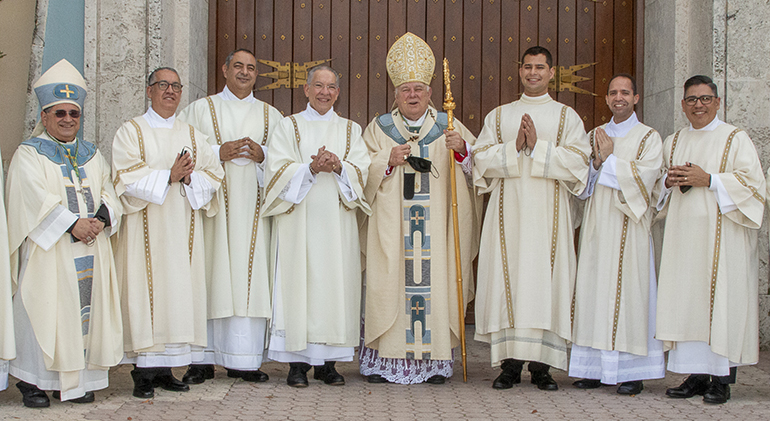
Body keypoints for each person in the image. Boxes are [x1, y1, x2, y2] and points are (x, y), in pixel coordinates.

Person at [359, 32, 480, 385]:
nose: (412, 95)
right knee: (389, 287)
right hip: (393, 234)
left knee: (434, 285)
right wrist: (386, 159)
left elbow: (477, 172)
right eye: (405, 90)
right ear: (395, 94)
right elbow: (361, 171)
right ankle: (385, 362)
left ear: (430, 92)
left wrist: (462, 152)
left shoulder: (449, 127)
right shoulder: (380, 129)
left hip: (435, 235)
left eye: (418, 89)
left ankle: (434, 364)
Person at [5, 59, 124, 407]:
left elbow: (109, 191)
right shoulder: (29, 154)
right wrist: (73, 224)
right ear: (44, 116)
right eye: (60, 114)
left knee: (83, 314)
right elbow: (31, 199)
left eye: (74, 114)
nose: (68, 120)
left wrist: (101, 218)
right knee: (41, 309)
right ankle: (32, 382)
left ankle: (73, 384)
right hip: (50, 251)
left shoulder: (91, 153)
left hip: (90, 246)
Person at [472, 46, 590, 391]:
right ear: (519, 71)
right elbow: (478, 160)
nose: (533, 73)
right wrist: (514, 147)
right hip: (507, 215)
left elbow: (580, 163)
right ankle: (509, 366)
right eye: (528, 67)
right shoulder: (498, 116)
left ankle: (542, 368)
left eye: (540, 67)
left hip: (549, 217)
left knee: (544, 283)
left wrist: (538, 147)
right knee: (508, 281)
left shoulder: (567, 117)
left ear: (552, 72)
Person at [112, 67, 224, 398]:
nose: (171, 91)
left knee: (176, 292)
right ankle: (143, 372)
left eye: (176, 86)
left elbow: (214, 175)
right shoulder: (131, 130)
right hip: (144, 231)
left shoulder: (191, 134)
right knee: (147, 292)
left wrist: (190, 179)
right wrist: (169, 176)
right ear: (149, 91)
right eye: (163, 85)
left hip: (182, 229)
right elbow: (125, 175)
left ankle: (166, 369)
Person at [655, 75, 765, 404]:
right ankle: (696, 374)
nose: (698, 105)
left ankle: (720, 379)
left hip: (723, 241)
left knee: (720, 305)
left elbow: (754, 186)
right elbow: (656, 190)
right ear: (683, 105)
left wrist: (711, 180)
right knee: (688, 303)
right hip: (683, 239)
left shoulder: (735, 138)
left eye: (705, 99)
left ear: (717, 102)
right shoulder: (672, 141)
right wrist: (667, 181)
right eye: (692, 99)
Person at [177, 49, 283, 385]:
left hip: (254, 212)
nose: (244, 72)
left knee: (249, 281)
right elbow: (180, 151)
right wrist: (216, 153)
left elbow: (285, 162)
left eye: (251, 68)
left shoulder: (272, 116)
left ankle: (244, 360)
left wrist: (263, 154)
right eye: (237, 65)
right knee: (211, 276)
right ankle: (201, 361)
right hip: (212, 213)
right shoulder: (199, 110)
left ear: (257, 75)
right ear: (224, 69)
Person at [263, 65, 371, 387]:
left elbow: (362, 172)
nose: (325, 92)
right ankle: (297, 364)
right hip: (299, 224)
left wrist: (339, 168)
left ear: (338, 92)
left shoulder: (351, 130)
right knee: (299, 288)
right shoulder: (288, 126)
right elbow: (275, 171)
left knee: (334, 289)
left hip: (337, 226)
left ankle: (328, 364)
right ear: (306, 89)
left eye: (331, 87)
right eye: (318, 86)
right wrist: (310, 168)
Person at [569, 74, 665, 395]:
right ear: (607, 98)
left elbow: (646, 179)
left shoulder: (649, 137)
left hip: (631, 229)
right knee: (594, 292)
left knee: (631, 295)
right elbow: (579, 184)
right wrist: (596, 163)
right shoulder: (594, 134)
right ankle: (593, 368)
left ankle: (632, 372)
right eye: (613, 92)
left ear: (636, 98)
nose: (619, 97)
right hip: (598, 227)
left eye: (625, 92)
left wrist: (609, 160)